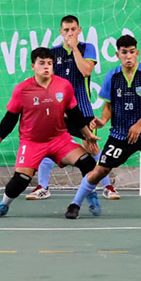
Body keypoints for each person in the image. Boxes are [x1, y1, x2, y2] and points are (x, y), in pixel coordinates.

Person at [65, 35, 141, 219]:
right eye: (124, 52)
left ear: (137, 52)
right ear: (118, 54)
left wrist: (139, 124)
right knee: (99, 171)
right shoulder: (113, 76)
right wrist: (102, 120)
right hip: (120, 135)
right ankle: (74, 204)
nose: (128, 56)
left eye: (132, 52)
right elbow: (108, 105)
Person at [0, 47, 100, 217]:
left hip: (59, 139)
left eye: (50, 64)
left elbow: (75, 114)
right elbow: (9, 119)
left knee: (87, 162)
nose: (46, 67)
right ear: (33, 66)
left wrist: (88, 135)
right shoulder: (22, 90)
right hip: (31, 142)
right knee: (20, 181)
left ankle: (90, 194)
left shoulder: (64, 86)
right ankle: (4, 204)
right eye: (42, 63)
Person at [26, 15, 119, 205]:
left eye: (73, 29)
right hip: (58, 111)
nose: (70, 33)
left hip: (82, 109)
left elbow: (86, 71)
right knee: (47, 148)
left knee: (92, 148)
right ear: (60, 32)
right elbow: (48, 82)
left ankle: (107, 186)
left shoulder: (87, 48)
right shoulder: (52, 54)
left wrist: (74, 47)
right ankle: (43, 187)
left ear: (79, 30)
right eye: (66, 30)